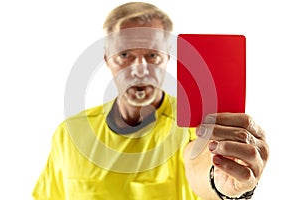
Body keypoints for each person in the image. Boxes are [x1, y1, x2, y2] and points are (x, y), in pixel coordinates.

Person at [32, 2, 269, 200]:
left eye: (152, 55)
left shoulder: (194, 125)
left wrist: (222, 185)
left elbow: (200, 169)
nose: (139, 69)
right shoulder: (70, 133)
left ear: (166, 57)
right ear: (107, 59)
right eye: (125, 55)